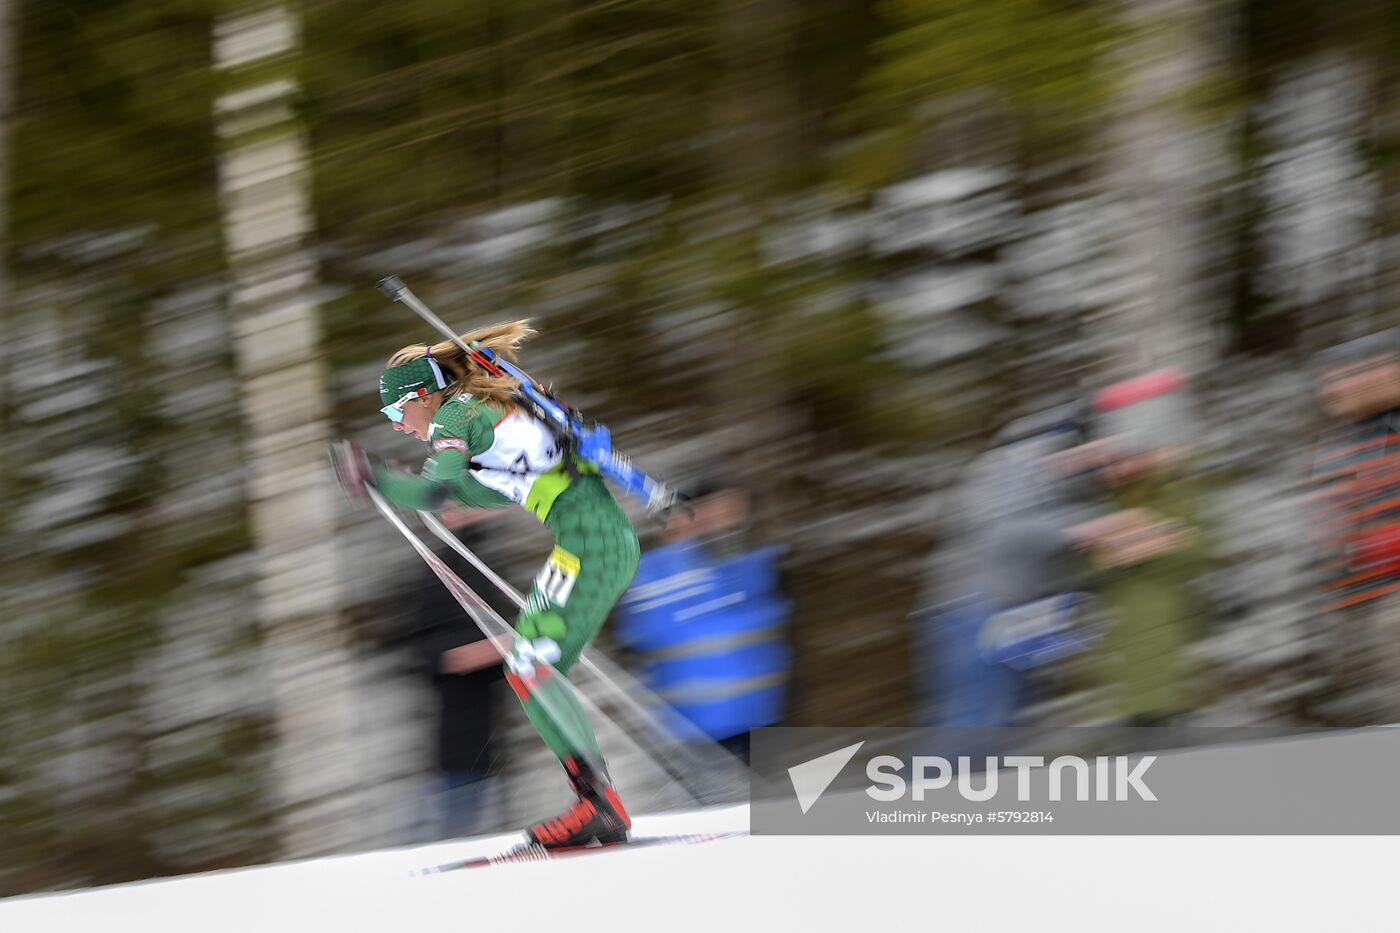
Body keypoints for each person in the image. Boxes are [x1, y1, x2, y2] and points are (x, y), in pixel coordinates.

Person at [334, 322, 640, 849]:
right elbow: (468, 497)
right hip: (589, 546)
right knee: (531, 668)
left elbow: (437, 492)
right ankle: (595, 801)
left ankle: (598, 805)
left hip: (594, 548)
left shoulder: (458, 413)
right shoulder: (486, 421)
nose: (399, 426)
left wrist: (374, 476)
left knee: (531, 666)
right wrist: (385, 479)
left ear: (422, 397)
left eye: (395, 412)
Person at [612, 480, 790, 764]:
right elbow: (637, 637)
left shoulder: (754, 562)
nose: (725, 519)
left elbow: (771, 624)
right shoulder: (655, 572)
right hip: (687, 737)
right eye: (716, 510)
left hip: (759, 725)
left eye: (732, 510)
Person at [1077, 368, 1216, 726]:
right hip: (1123, 664)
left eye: (1135, 453)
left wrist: (1145, 543)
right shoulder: (1110, 502)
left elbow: (1200, 548)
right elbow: (1092, 560)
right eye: (1119, 455)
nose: (1124, 463)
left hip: (1174, 658)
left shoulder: (1181, 491)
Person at [1305, 330, 1400, 723]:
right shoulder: (1339, 443)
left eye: (1345, 376)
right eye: (1329, 380)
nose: (1332, 389)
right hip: (1361, 600)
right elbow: (1329, 524)